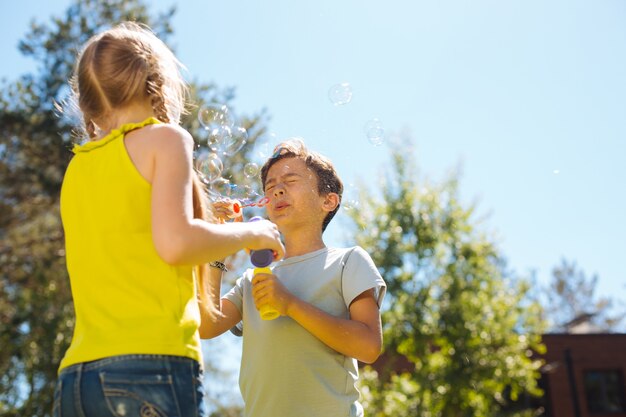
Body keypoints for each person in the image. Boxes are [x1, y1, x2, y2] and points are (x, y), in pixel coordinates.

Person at [54, 22, 284, 417]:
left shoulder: (78, 168)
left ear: (89, 101)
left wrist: (218, 238)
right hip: (149, 368)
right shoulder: (166, 139)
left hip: (77, 378)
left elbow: (152, 247)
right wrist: (254, 231)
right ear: (158, 80)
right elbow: (175, 243)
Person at [202, 139, 387, 417]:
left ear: (328, 200)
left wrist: (289, 304)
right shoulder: (253, 279)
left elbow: (369, 346)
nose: (277, 189)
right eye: (270, 185)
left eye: (290, 179)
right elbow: (207, 324)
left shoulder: (348, 261)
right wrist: (218, 248)